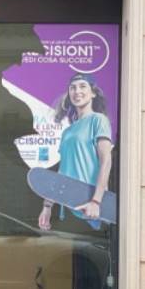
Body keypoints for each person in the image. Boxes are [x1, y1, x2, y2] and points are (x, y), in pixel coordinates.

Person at [38, 74, 112, 231]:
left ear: (93, 93)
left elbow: (106, 161)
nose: (77, 91)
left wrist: (96, 201)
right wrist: (47, 206)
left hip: (91, 209)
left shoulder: (98, 120)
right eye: (73, 88)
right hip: (68, 207)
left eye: (82, 86)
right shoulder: (68, 132)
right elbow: (62, 171)